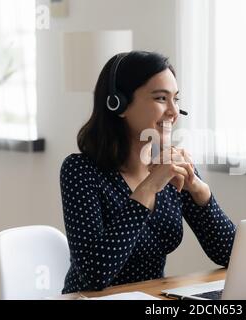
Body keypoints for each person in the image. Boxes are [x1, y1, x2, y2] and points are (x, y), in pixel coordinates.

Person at [59, 50, 236, 294]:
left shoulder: (171, 166)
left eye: (176, 99)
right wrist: (150, 187)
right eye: (161, 98)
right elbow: (95, 274)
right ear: (118, 104)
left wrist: (201, 192)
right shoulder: (80, 171)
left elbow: (230, 255)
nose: (174, 112)